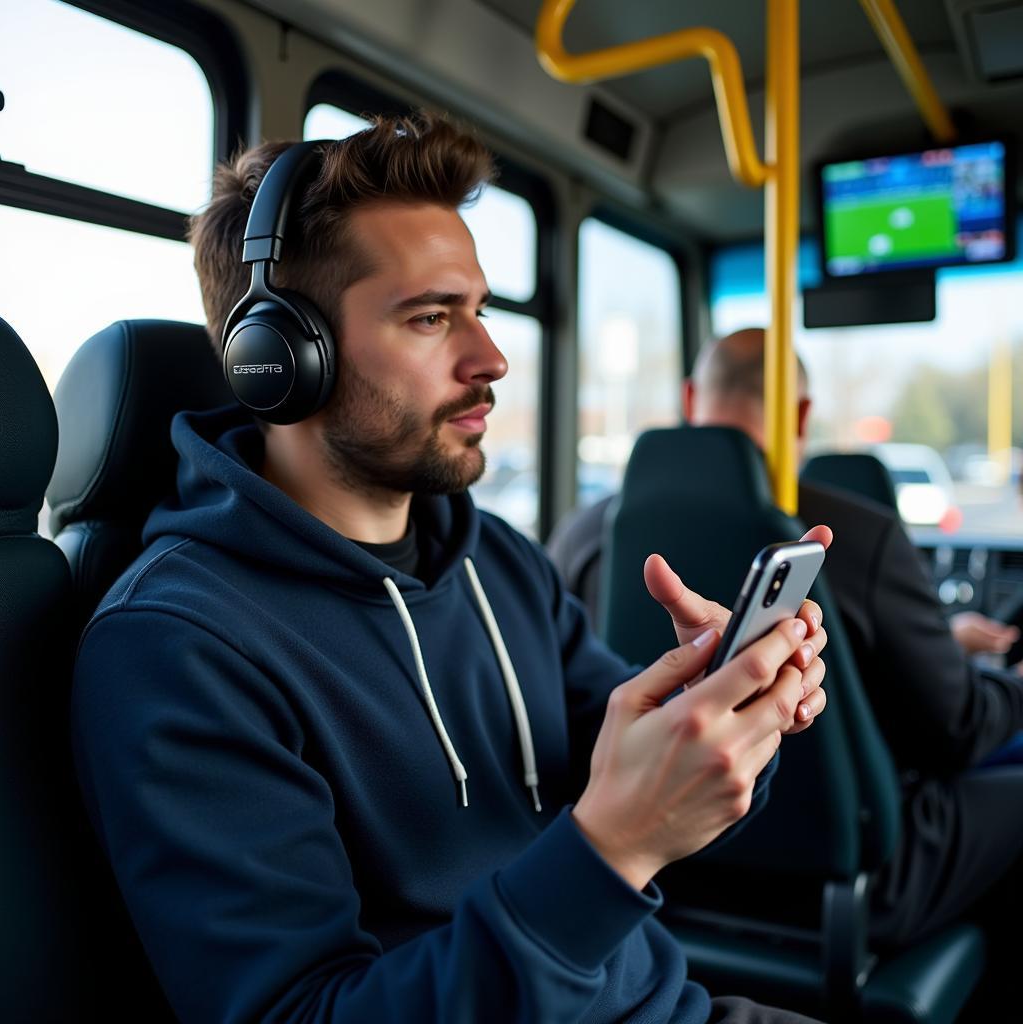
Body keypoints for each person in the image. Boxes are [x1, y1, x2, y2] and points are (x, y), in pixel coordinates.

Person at [69, 118, 830, 1024]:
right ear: (279, 358)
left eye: (480, 309)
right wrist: (615, 851)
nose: (492, 359)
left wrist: (732, 721)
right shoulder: (177, 647)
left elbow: (646, 788)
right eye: (431, 317)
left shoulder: (498, 560)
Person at [548, 326, 1023, 991]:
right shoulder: (858, 539)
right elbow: (959, 730)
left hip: (659, 870)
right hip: (850, 885)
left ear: (691, 399)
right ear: (800, 414)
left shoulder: (579, 534)